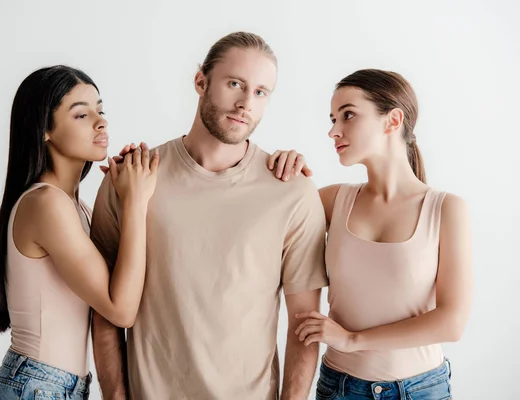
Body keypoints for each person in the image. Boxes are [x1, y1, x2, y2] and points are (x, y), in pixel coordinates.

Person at [90, 31, 328, 399]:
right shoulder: (131, 180)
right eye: (235, 84)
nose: (246, 103)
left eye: (261, 92)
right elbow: (104, 309)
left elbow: (303, 327)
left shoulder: (292, 191)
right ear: (201, 81)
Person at [269, 69, 473, 399]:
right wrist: (285, 173)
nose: (334, 131)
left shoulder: (446, 210)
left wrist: (352, 339)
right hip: (340, 388)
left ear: (392, 121)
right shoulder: (334, 200)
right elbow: (269, 225)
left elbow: (452, 323)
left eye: (348, 115)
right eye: (333, 118)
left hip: (422, 390)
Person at [0, 65, 158, 400]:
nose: (100, 121)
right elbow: (120, 308)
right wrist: (135, 202)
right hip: (36, 387)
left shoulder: (76, 208)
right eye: (81, 115)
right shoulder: (46, 204)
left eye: (100, 110)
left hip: (51, 387)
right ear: (44, 129)